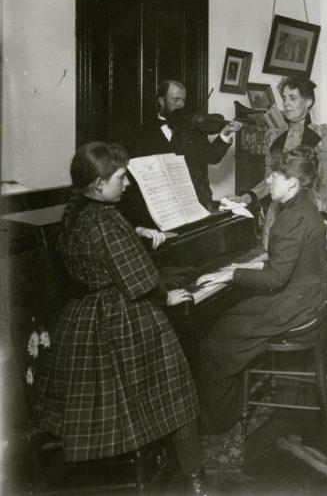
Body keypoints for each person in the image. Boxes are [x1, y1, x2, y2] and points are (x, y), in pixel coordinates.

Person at [35, 142, 210, 495]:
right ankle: (196, 480)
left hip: (84, 318)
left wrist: (136, 233)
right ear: (99, 184)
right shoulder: (108, 221)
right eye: (120, 177)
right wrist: (167, 295)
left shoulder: (74, 213)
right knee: (177, 391)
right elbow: (141, 280)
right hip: (125, 316)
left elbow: (101, 254)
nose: (127, 183)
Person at [195, 146, 327, 434]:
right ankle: (227, 405)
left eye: (275, 175)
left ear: (292, 182)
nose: (268, 181)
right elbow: (284, 265)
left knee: (218, 336)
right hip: (305, 295)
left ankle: (215, 421)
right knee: (231, 319)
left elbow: (275, 279)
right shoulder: (302, 206)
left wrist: (232, 273)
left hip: (295, 304)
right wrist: (247, 269)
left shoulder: (293, 218)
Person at [231, 76, 327, 246]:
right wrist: (248, 197)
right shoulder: (275, 137)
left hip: (316, 214)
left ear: (308, 102)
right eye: (284, 98)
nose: (286, 103)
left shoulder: (323, 136)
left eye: (292, 98)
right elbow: (269, 180)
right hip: (280, 215)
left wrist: (325, 219)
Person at [118, 80, 242, 222]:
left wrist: (225, 133)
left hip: (198, 204)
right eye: (175, 100)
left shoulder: (193, 127)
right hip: (163, 210)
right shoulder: (144, 133)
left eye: (183, 100)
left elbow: (211, 157)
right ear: (162, 101)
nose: (181, 105)